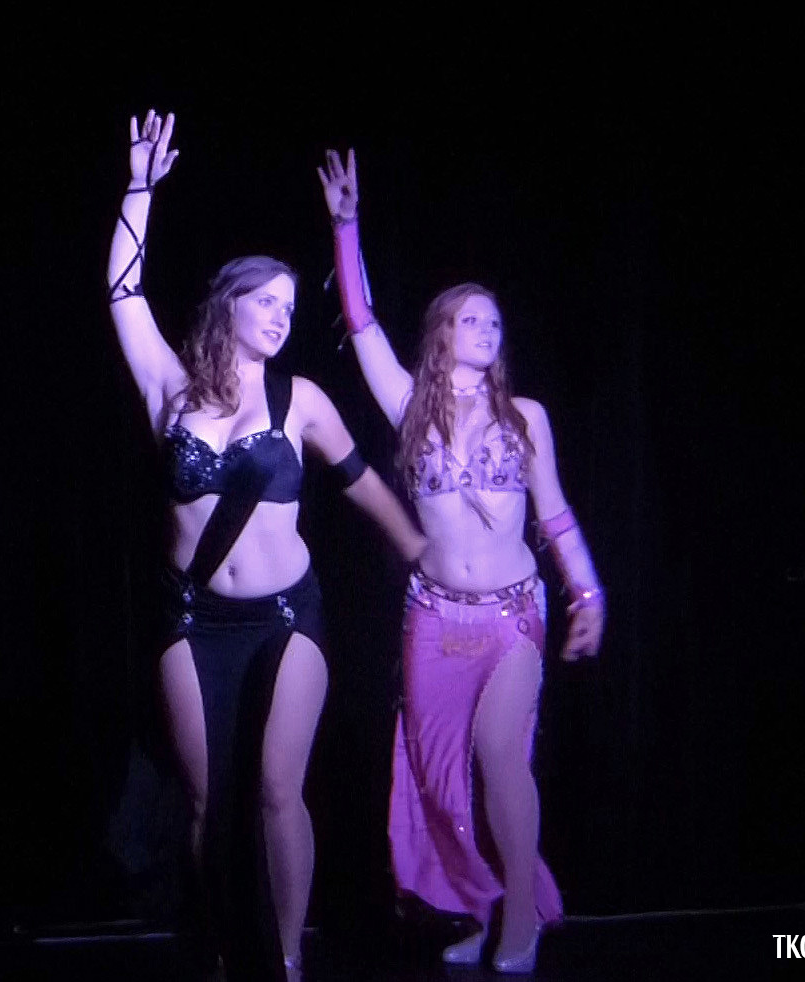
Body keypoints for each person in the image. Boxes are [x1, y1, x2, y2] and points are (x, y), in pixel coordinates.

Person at [108, 111, 427, 982]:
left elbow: (364, 485)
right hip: (192, 618)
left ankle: (285, 958)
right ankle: (224, 948)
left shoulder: (303, 400)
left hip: (289, 617)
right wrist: (139, 189)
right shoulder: (170, 388)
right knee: (208, 801)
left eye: (291, 306)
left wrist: (415, 546)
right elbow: (123, 295)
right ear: (230, 305)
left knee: (279, 787)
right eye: (267, 302)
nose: (282, 317)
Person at [318, 148, 605, 973]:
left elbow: (554, 513)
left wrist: (587, 592)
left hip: (513, 614)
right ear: (442, 332)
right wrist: (346, 227)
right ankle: (485, 904)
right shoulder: (409, 404)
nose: (488, 330)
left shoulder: (527, 416)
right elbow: (362, 323)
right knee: (439, 782)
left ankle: (520, 921)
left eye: (495, 323)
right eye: (472, 319)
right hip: (435, 620)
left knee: (502, 757)